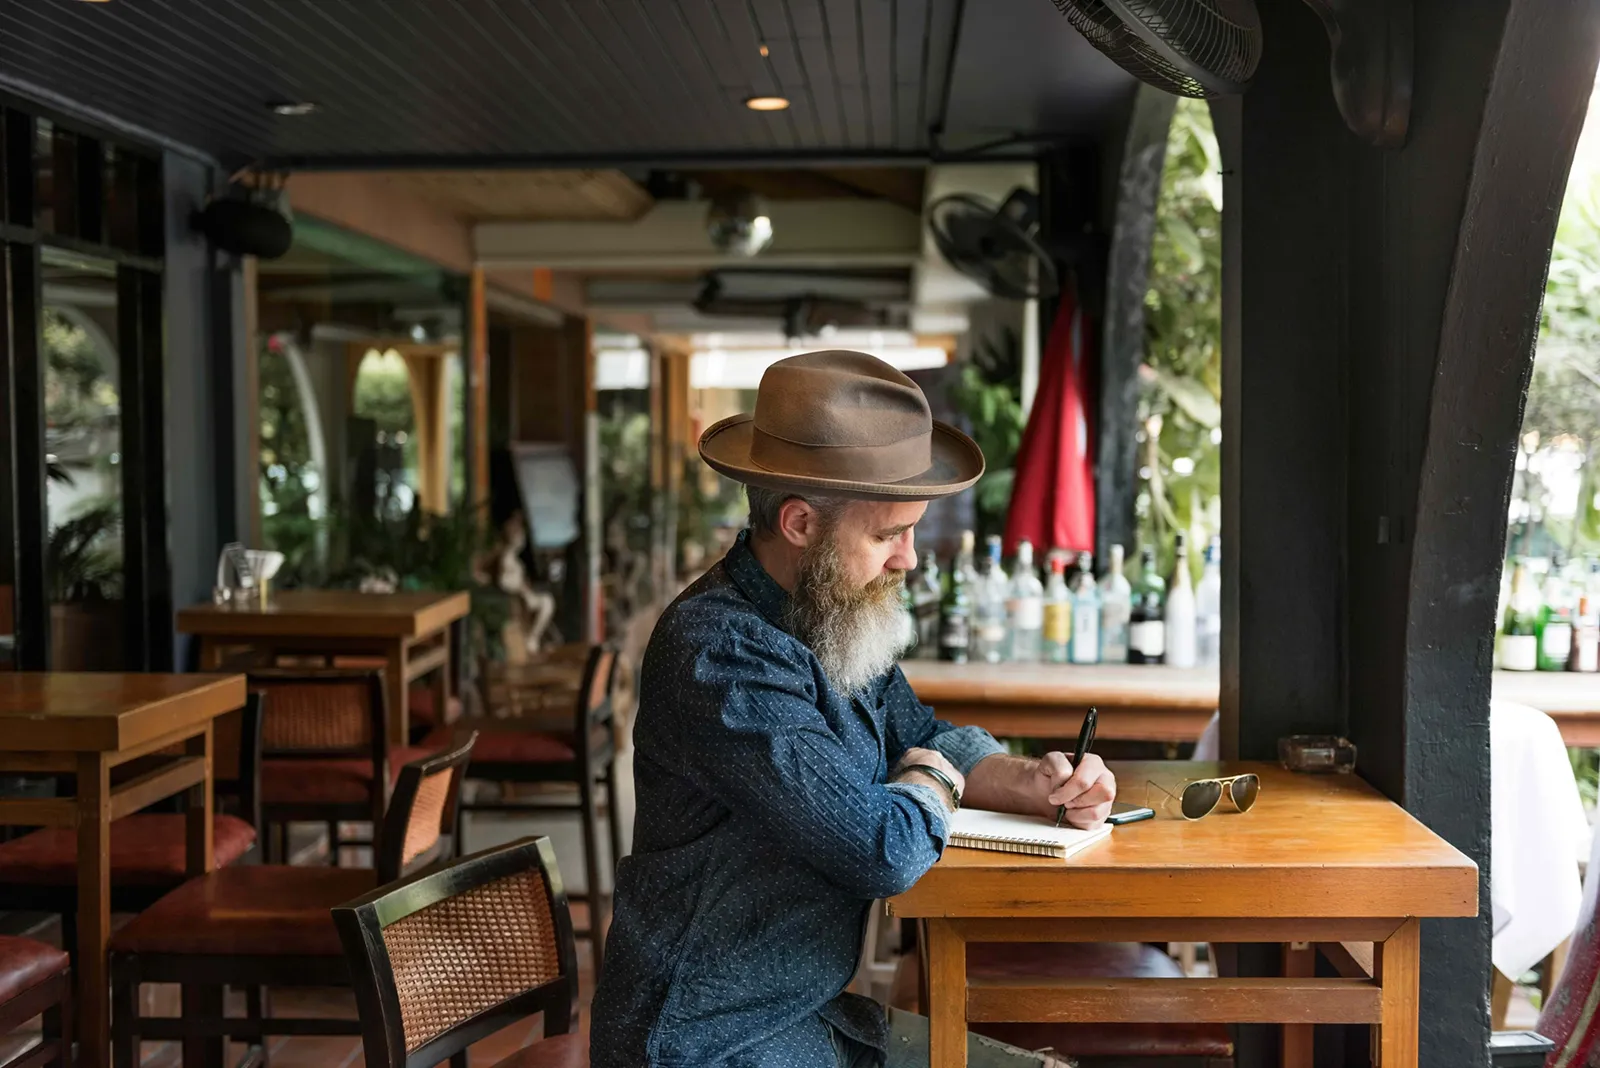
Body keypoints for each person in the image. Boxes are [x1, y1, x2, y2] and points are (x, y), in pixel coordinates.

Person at [591, 350, 1116, 1068]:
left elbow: (920, 737)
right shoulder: (718, 654)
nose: (907, 558)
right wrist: (931, 783)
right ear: (801, 523)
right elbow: (879, 849)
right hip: (706, 1032)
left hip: (806, 1011)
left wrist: (1030, 781)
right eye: (887, 534)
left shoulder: (828, 611)